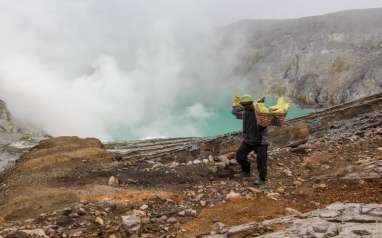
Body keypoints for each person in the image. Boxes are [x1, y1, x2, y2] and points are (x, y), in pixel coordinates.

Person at [232, 95, 268, 185]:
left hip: (261, 142)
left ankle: (262, 180)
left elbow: (266, 121)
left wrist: (259, 104)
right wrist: (235, 104)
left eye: (248, 104)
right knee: (239, 156)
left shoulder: (260, 112)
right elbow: (235, 112)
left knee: (261, 162)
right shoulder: (245, 112)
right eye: (244, 105)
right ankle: (246, 171)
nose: (246, 106)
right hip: (248, 140)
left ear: (252, 103)